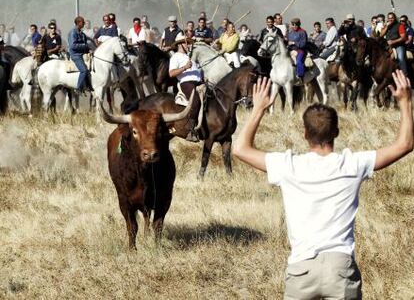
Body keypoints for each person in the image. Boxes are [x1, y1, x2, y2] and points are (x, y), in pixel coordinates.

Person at [232, 70, 413, 300]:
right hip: (341, 268)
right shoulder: (352, 164)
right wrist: (405, 103)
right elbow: (404, 144)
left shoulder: (289, 166)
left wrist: (259, 109)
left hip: (301, 269)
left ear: (305, 134)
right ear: (336, 132)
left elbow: (240, 149)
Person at [169, 35, 202, 142]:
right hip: (186, 83)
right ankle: (191, 131)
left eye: (188, 42)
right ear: (179, 44)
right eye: (185, 43)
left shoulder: (190, 56)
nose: (188, 45)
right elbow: (171, 73)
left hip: (199, 82)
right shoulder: (175, 57)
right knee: (195, 101)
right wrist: (184, 68)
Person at [68, 16, 93, 93]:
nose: (84, 24)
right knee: (84, 70)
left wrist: (89, 50)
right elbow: (73, 46)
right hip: (76, 55)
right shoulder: (73, 32)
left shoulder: (82, 33)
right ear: (78, 23)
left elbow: (85, 43)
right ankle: (78, 88)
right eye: (83, 22)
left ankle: (88, 85)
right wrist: (85, 46)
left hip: (82, 54)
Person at [287, 18, 307, 82]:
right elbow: (288, 42)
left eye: (296, 25)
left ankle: (301, 76)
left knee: (298, 61)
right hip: (290, 50)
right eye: (293, 24)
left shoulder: (303, 32)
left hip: (300, 51)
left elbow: (303, 44)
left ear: (299, 24)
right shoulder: (290, 33)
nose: (294, 26)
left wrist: (293, 43)